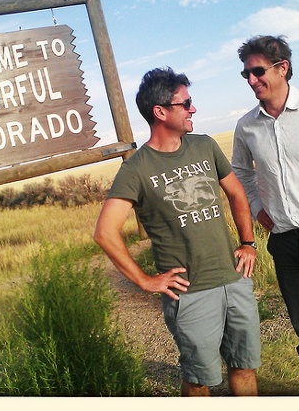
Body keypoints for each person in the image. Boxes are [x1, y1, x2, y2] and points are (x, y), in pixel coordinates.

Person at [94, 67, 261, 396]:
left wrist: (248, 242)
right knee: (200, 380)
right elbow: (105, 233)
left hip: (234, 279)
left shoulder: (204, 146)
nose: (193, 109)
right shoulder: (137, 169)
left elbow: (238, 194)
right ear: (160, 112)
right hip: (191, 293)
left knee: (244, 366)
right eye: (185, 104)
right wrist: (145, 281)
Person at [232, 35, 299, 396]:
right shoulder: (247, 126)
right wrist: (258, 208)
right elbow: (241, 172)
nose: (251, 79)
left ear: (282, 68)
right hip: (286, 245)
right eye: (245, 73)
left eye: (257, 71)